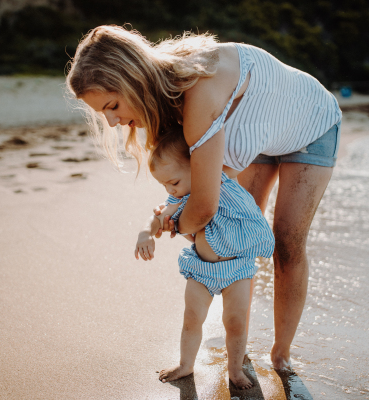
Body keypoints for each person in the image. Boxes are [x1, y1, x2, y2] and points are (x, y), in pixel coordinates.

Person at [67, 25, 342, 371]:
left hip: (309, 123)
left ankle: (281, 353)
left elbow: (204, 207)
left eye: (112, 106)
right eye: (102, 114)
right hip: (255, 133)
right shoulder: (168, 98)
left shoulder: (196, 90)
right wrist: (174, 215)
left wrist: (169, 223)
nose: (111, 122)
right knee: (236, 238)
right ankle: (239, 345)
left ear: (133, 78)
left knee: (286, 241)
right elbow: (194, 194)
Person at [135, 128, 274, 389]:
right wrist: (146, 232)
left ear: (196, 167)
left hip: (238, 268)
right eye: (164, 185)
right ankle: (186, 364)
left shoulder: (222, 184)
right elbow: (159, 215)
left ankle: (235, 371)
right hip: (201, 269)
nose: (169, 190)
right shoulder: (181, 196)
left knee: (235, 321)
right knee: (192, 318)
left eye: (173, 182)